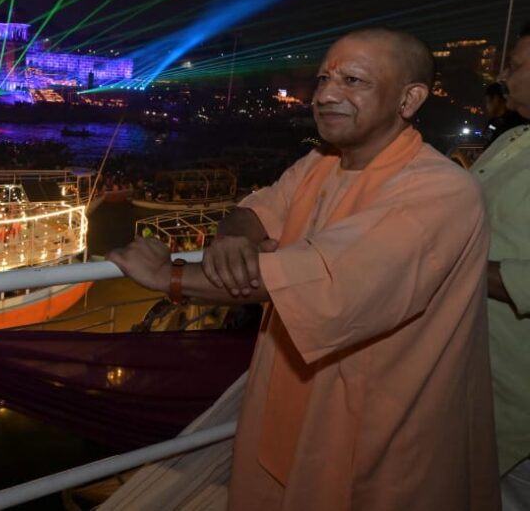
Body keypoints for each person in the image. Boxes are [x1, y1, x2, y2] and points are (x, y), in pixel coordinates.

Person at [109, 28, 498, 510]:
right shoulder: (320, 163)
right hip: (291, 395)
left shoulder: (441, 191)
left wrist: (166, 276)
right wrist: (234, 237)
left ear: (409, 99)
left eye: (353, 81)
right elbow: (257, 209)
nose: (327, 95)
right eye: (323, 79)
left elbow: (321, 278)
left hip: (381, 420)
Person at [472, 27, 530, 509]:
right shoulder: (514, 138)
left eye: (514, 65)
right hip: (480, 389)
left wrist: (452, 267)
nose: (502, 76)